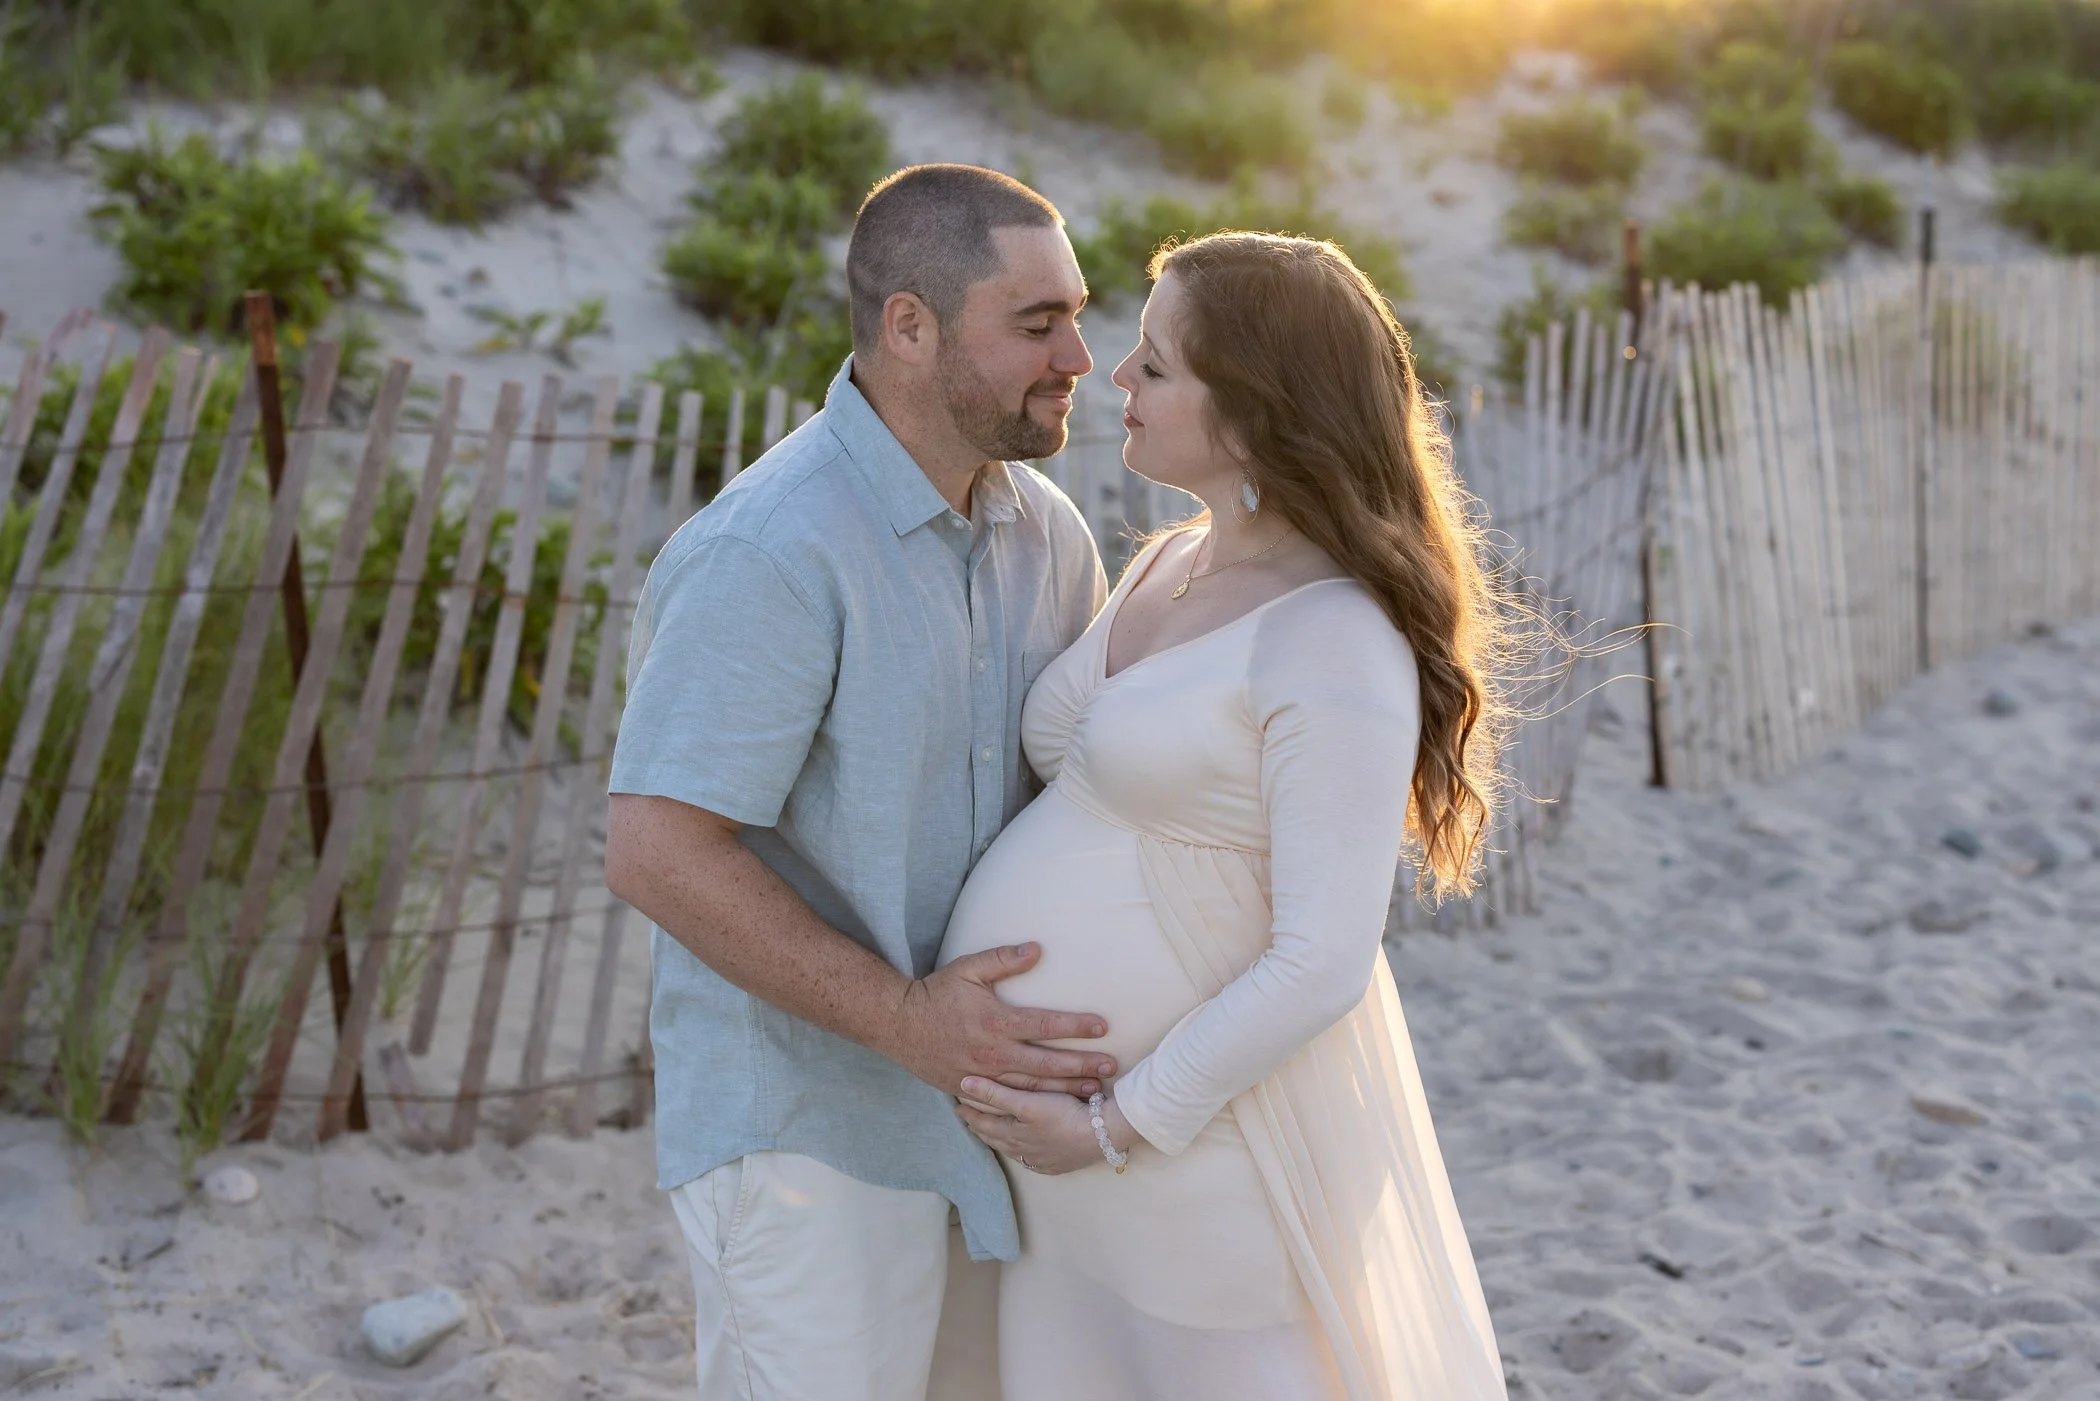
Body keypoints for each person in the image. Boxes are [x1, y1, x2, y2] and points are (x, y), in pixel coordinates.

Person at [938, 232, 1513, 1400]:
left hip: (1194, 1152)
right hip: (1070, 1165)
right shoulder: (1169, 563)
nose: (1116, 380)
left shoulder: (1331, 637)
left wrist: (1116, 1124)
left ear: (1251, 413)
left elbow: (1322, 958)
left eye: (1156, 364)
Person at [604, 163, 1109, 1401]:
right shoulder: (769, 551)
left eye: (1079, 313)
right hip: (809, 1134)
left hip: (995, 1127)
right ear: (909, 327)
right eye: (1037, 322)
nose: (1082, 356)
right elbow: (658, 849)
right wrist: (903, 1022)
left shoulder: (1050, 534)